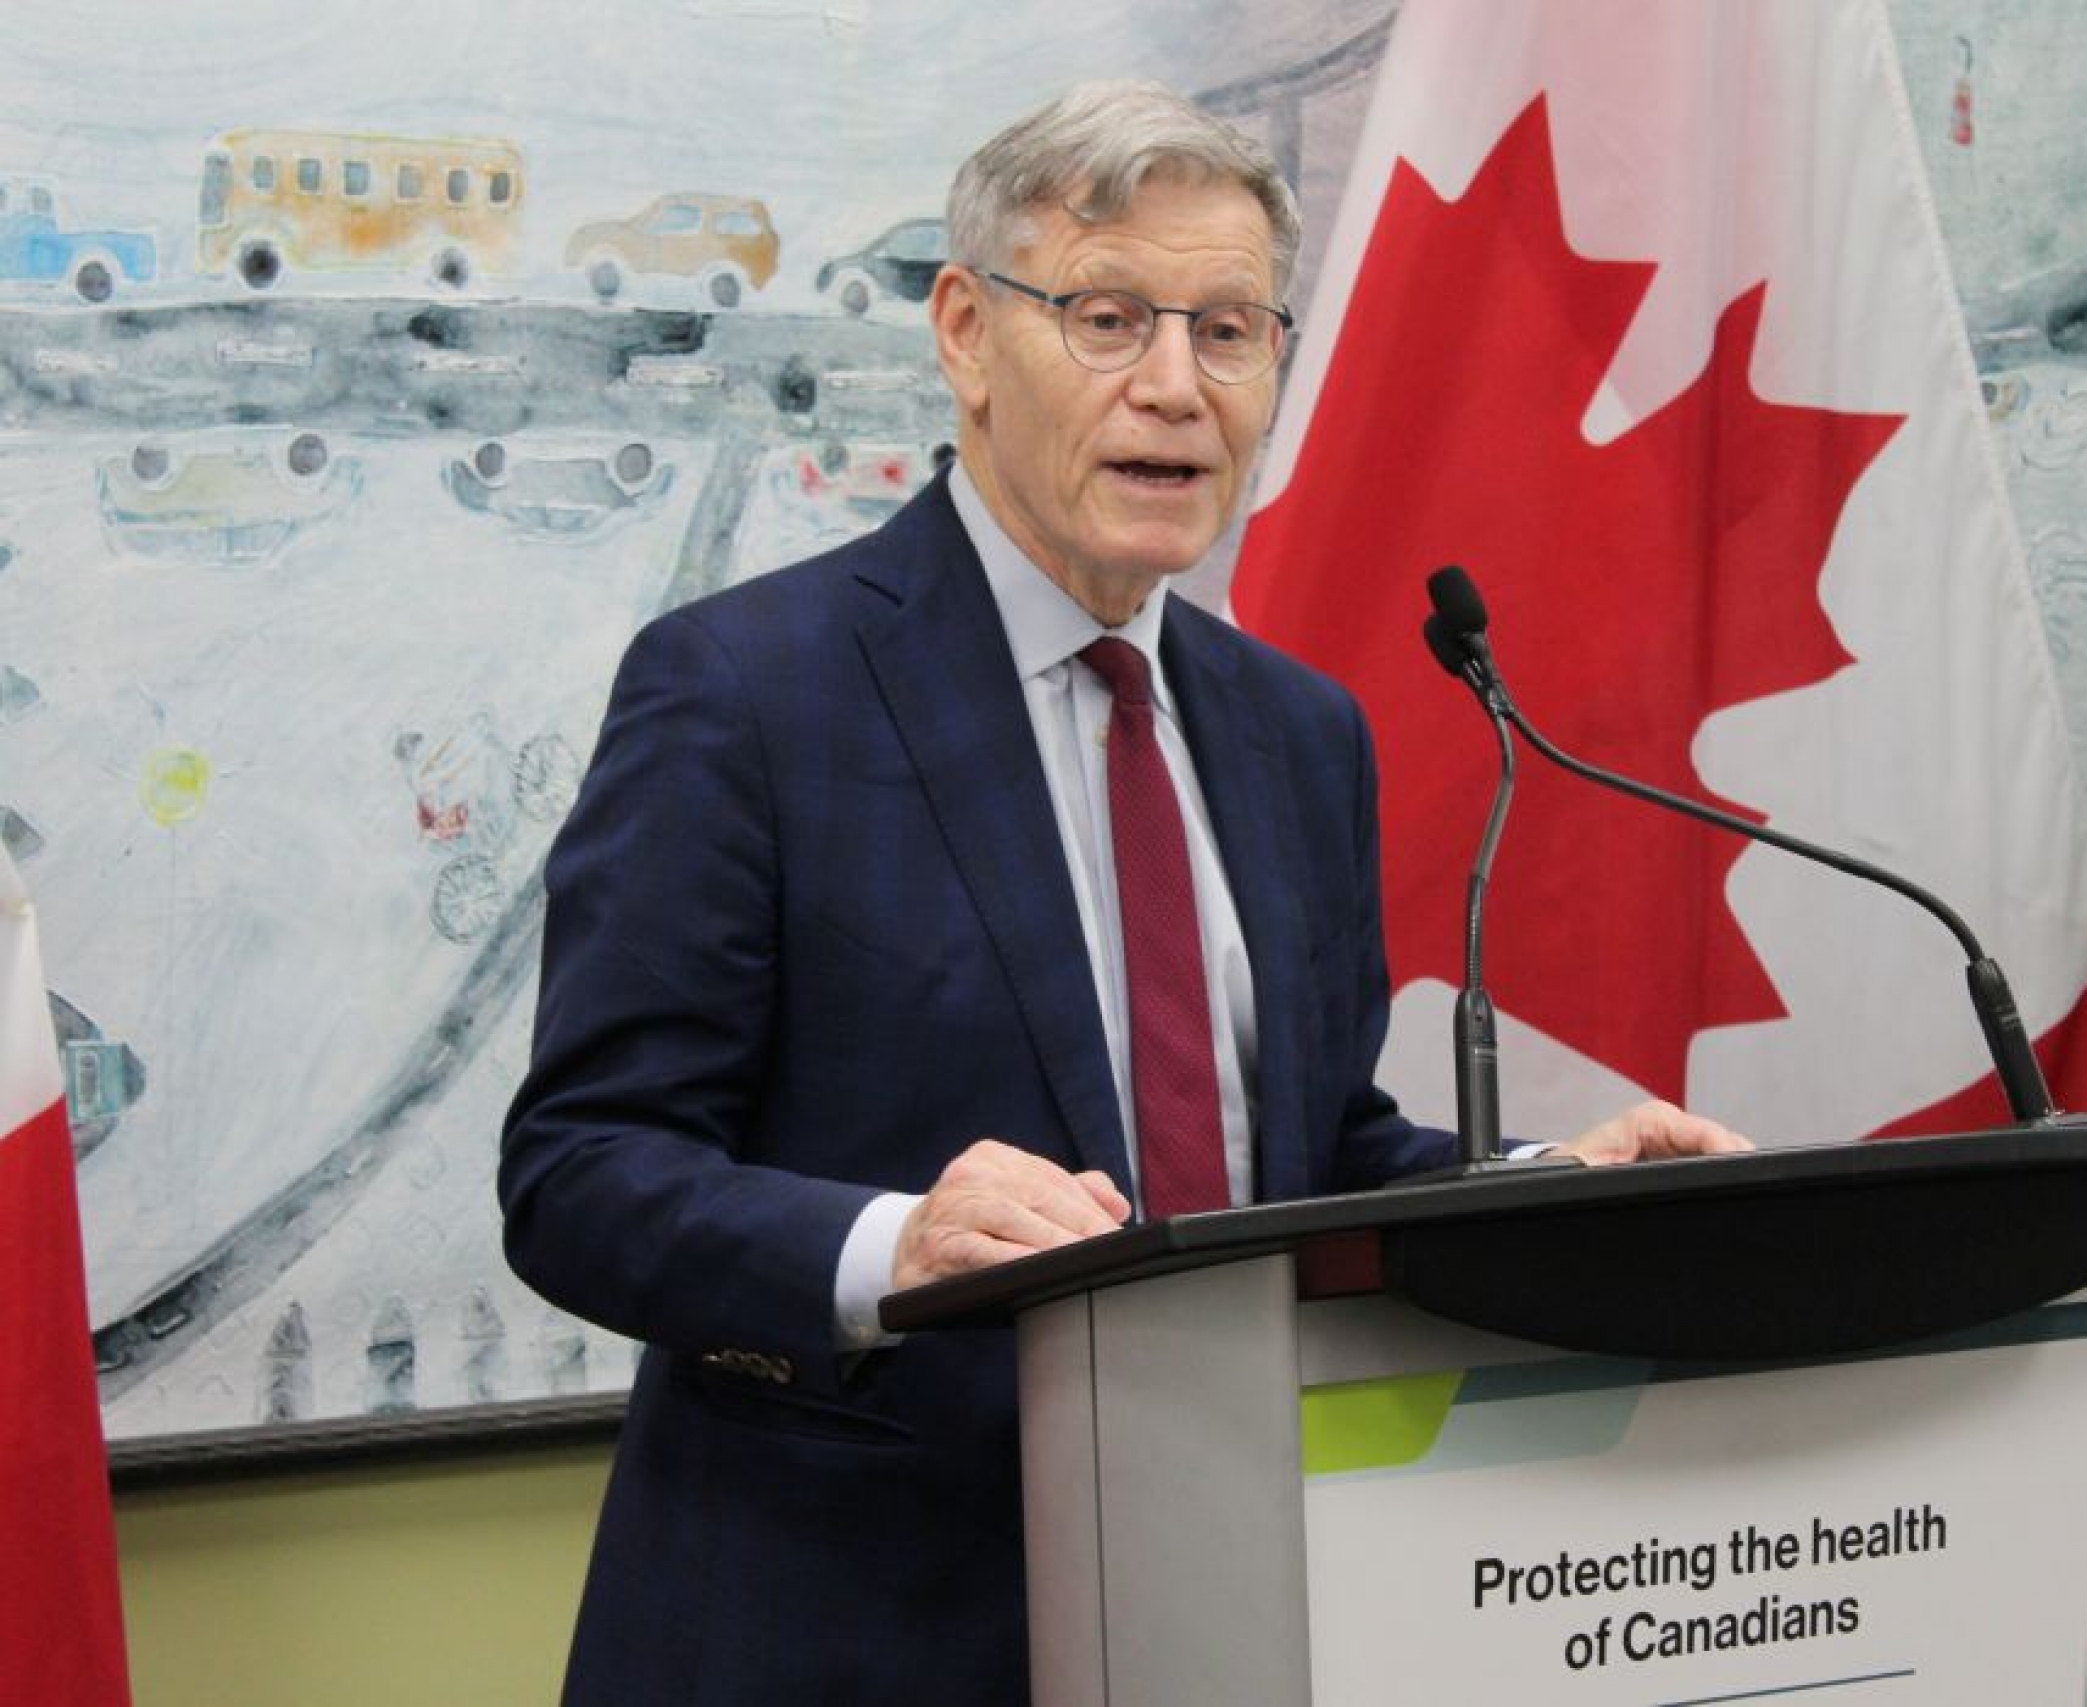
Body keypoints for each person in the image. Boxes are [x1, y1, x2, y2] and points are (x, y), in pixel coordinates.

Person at [498, 79, 1748, 1705]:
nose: (1175, 388)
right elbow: (580, 1171)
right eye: (1107, 319)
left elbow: (1300, 1148)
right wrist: (896, 1249)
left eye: (1229, 332)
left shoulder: (1300, 731)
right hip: (851, 1628)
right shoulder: (745, 693)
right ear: (965, 332)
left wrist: (1533, 1186)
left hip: (1239, 1594)